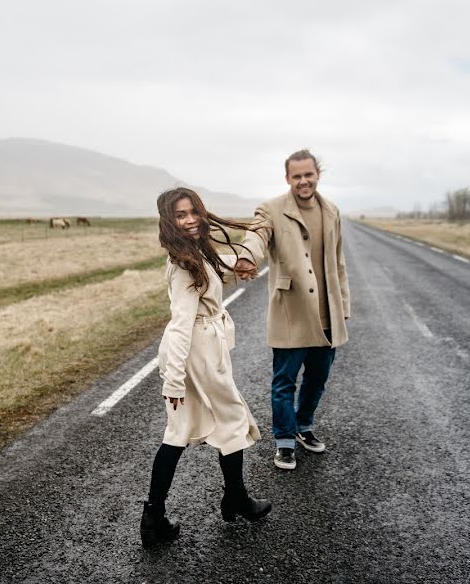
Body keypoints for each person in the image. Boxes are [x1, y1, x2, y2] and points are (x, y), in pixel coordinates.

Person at [141, 187, 272, 548]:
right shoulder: (184, 264)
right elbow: (182, 323)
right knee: (232, 420)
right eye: (180, 215)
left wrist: (239, 266)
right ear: (169, 221)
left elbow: (212, 274)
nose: (190, 220)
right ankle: (236, 499)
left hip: (197, 347)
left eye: (193, 212)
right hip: (196, 350)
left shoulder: (192, 253)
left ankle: (153, 518)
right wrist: (173, 382)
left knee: (178, 431)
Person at [234, 149, 350, 471]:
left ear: (317, 175)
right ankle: (284, 441)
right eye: (296, 176)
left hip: (326, 313)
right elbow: (256, 234)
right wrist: (247, 256)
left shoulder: (332, 211)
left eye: (308, 175)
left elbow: (338, 264)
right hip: (291, 311)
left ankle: (303, 426)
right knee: (284, 381)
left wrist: (344, 305)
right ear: (288, 178)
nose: (303, 181)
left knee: (317, 379)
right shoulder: (271, 209)